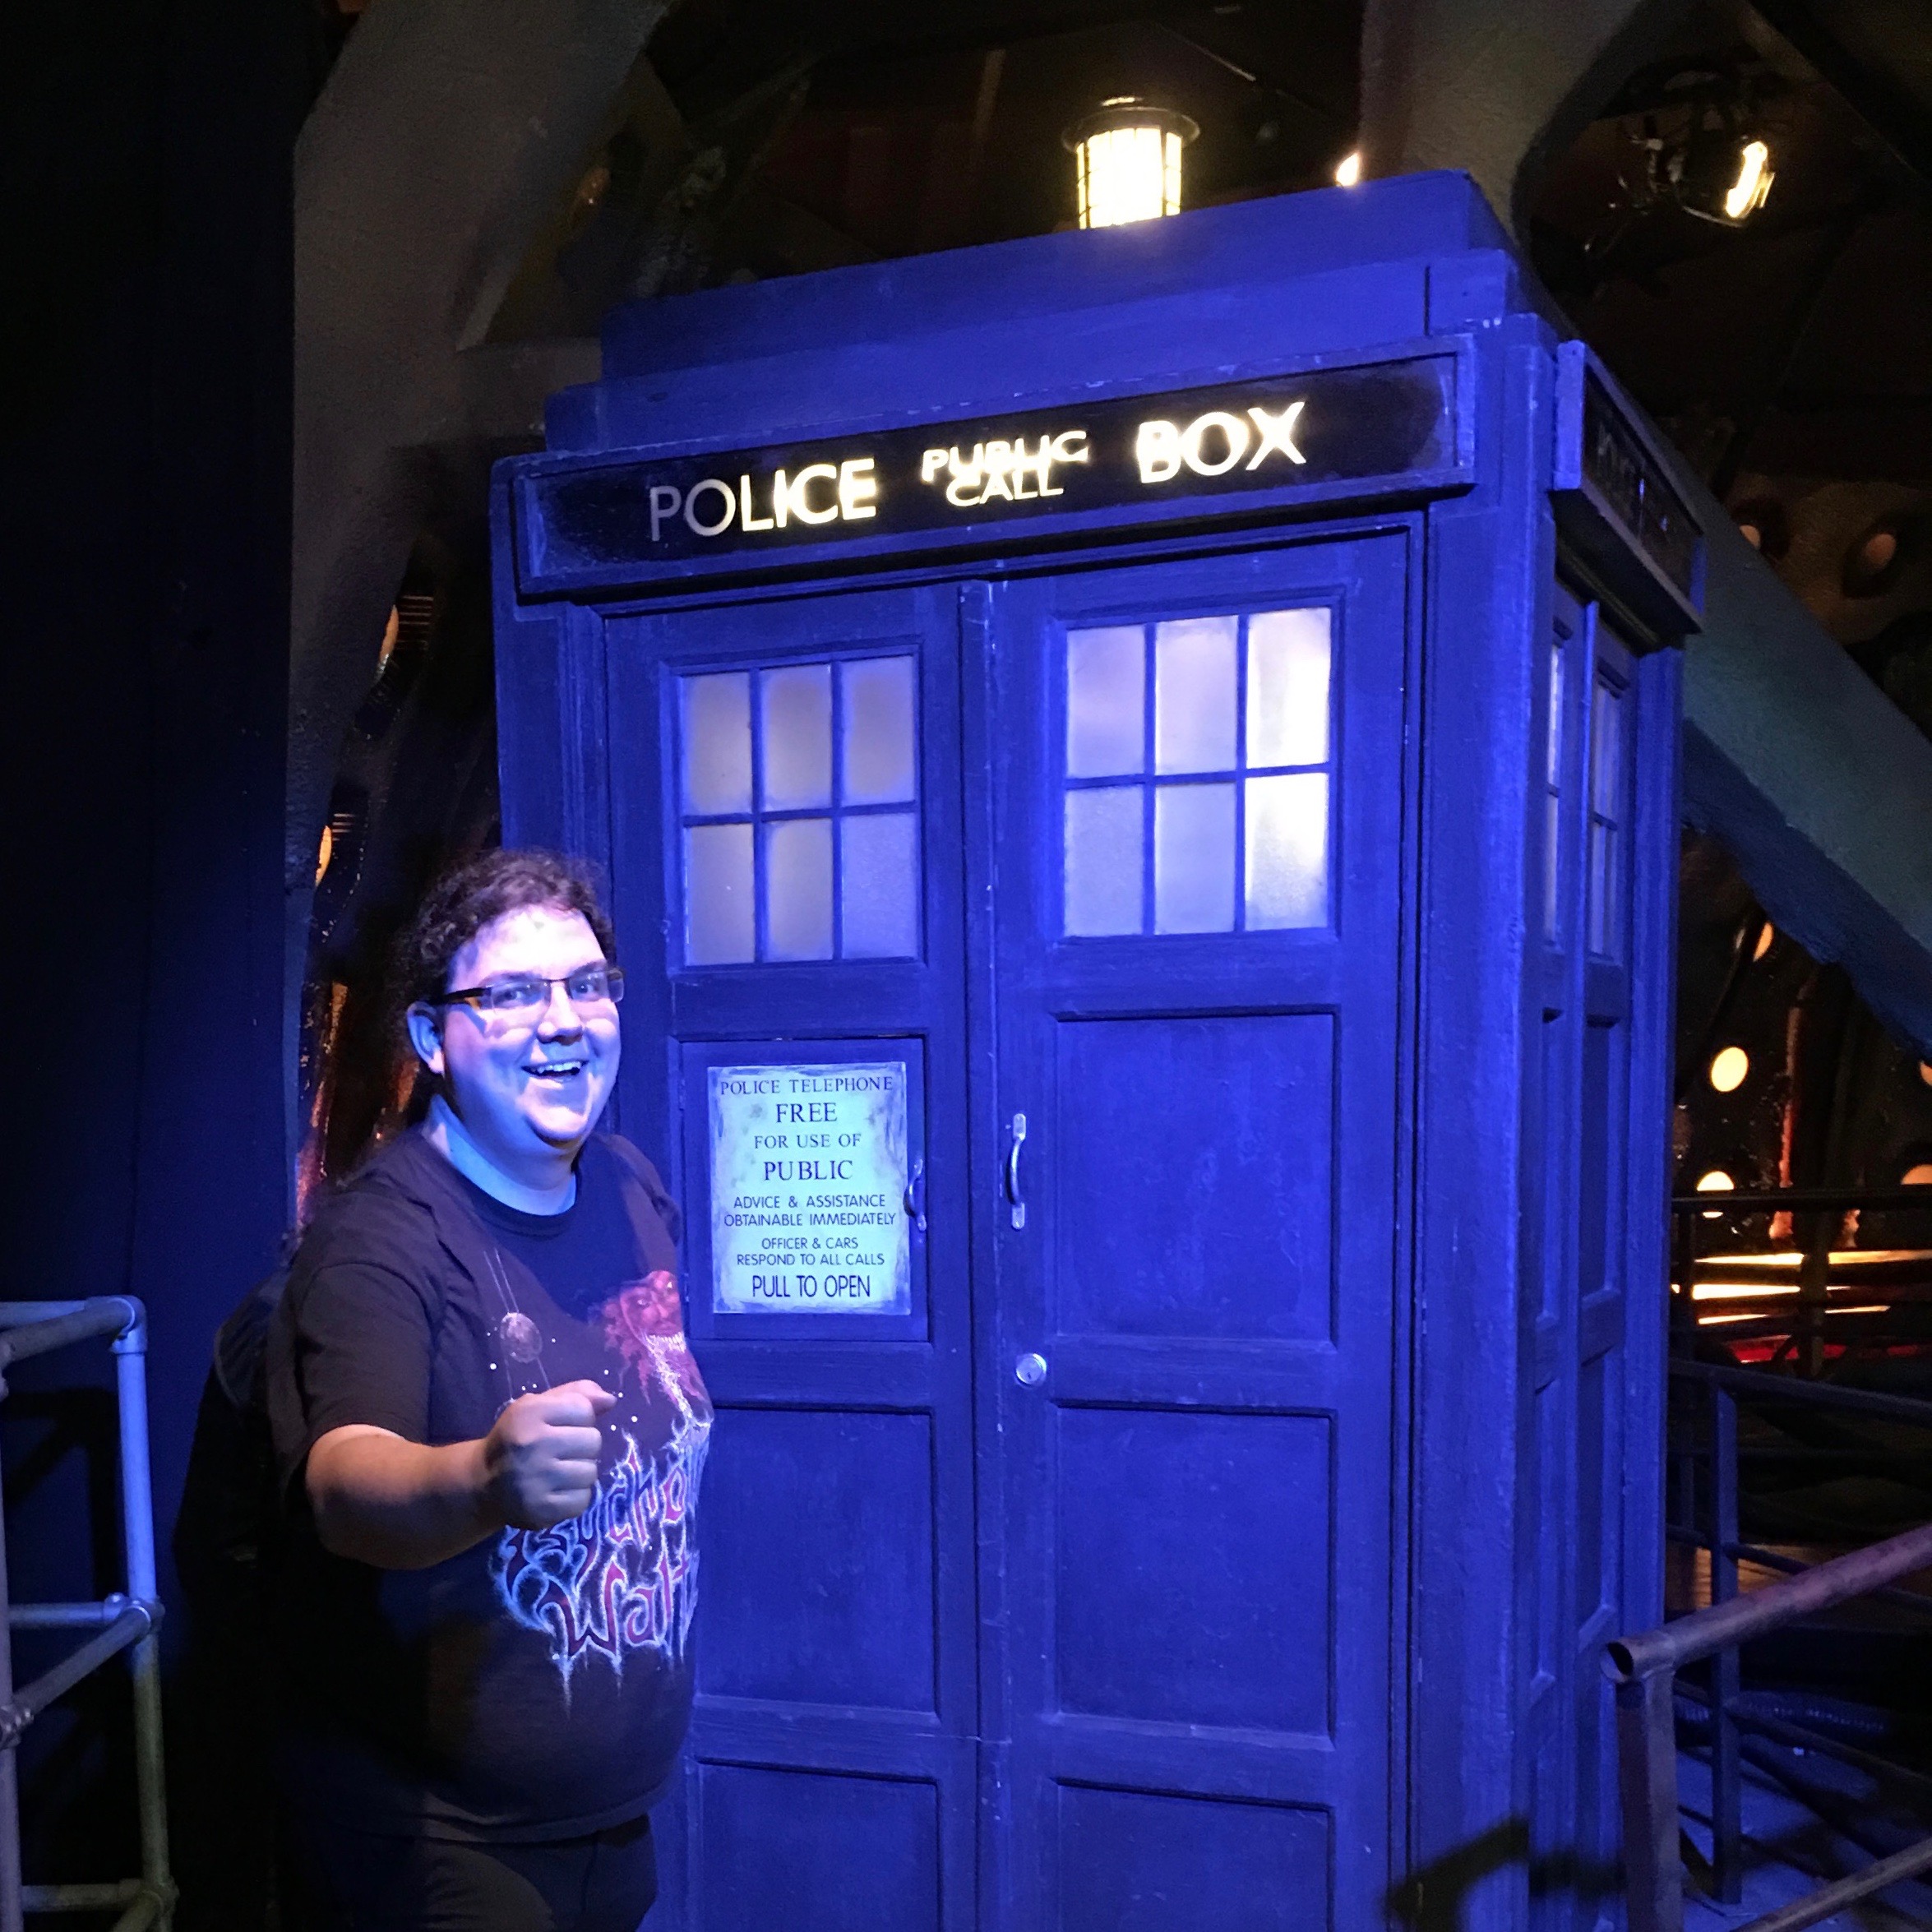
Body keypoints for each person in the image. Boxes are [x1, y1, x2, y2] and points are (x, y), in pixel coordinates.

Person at [265, 848, 710, 1932]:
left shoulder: (626, 1183)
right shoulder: (382, 1241)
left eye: (587, 984)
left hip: (606, 1821)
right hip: (440, 1843)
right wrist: (478, 1478)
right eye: (511, 993)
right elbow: (342, 1481)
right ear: (432, 1038)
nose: (563, 1020)